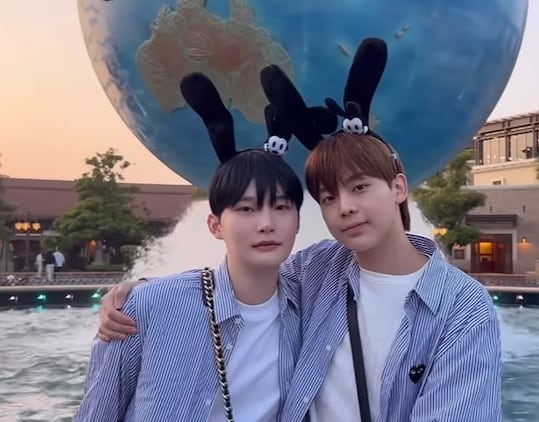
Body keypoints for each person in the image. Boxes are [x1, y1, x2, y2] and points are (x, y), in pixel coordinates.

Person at [97, 38, 501, 421]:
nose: (345, 207)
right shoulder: (319, 270)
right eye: (328, 197)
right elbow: (240, 282)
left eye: (360, 187)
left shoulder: (462, 307)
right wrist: (140, 293)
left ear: (398, 187)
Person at [74, 69, 336, 421]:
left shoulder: (309, 304)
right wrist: (136, 292)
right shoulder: (147, 308)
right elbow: (98, 413)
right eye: (246, 209)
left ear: (298, 221)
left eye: (280, 207)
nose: (266, 223)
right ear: (215, 225)